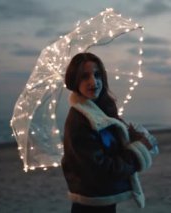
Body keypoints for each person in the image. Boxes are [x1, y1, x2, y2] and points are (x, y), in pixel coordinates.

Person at [62, 52, 157, 213]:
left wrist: (129, 139)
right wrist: (139, 150)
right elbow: (103, 170)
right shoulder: (80, 121)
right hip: (90, 205)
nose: (94, 81)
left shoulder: (99, 111)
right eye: (85, 76)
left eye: (97, 75)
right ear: (74, 81)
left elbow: (109, 151)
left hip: (103, 199)